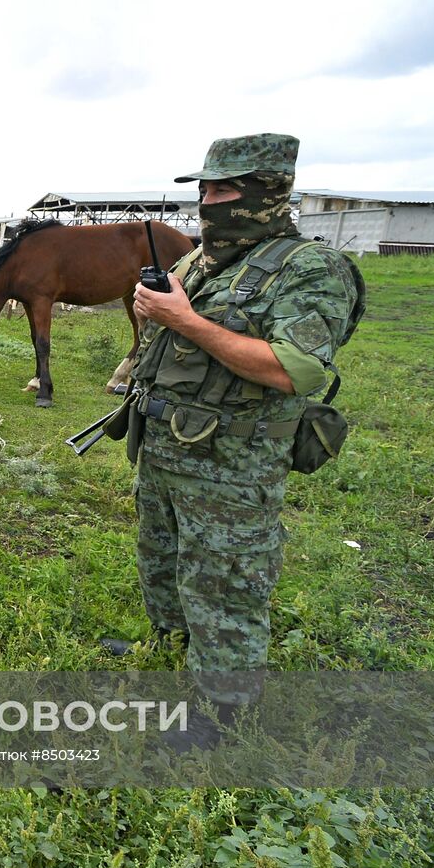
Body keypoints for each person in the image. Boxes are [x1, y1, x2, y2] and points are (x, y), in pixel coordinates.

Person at [110, 133, 363, 749]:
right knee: (163, 554)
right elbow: (171, 329)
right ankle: (170, 642)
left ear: (267, 193)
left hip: (234, 461)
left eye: (223, 189)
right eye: (203, 189)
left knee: (224, 576)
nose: (207, 200)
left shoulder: (310, 269)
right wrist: (152, 309)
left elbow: (294, 369)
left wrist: (186, 321)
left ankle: (224, 709)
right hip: (169, 443)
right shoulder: (201, 259)